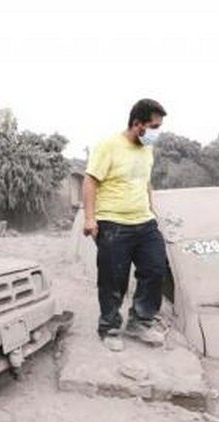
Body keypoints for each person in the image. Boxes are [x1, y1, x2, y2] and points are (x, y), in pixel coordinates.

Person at [83, 98, 169, 352]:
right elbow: (90, 181)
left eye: (158, 127)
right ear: (137, 124)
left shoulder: (147, 150)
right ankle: (109, 327)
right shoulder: (108, 146)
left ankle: (140, 321)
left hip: (144, 222)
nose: (156, 133)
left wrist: (153, 211)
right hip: (113, 223)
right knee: (113, 278)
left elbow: (145, 182)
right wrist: (90, 218)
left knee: (155, 269)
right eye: (153, 127)